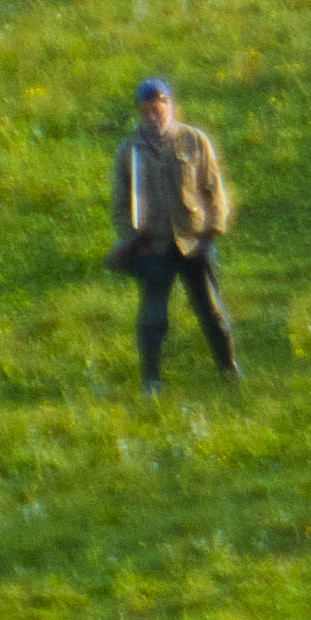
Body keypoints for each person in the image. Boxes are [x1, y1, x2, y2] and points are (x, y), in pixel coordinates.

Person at [114, 76, 242, 387]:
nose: (153, 113)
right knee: (152, 318)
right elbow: (120, 204)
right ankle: (150, 381)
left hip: (194, 242)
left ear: (169, 105)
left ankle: (228, 369)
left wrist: (212, 230)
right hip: (153, 247)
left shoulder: (194, 141)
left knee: (211, 310)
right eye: (146, 108)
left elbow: (214, 190)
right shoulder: (129, 150)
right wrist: (133, 242)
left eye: (158, 106)